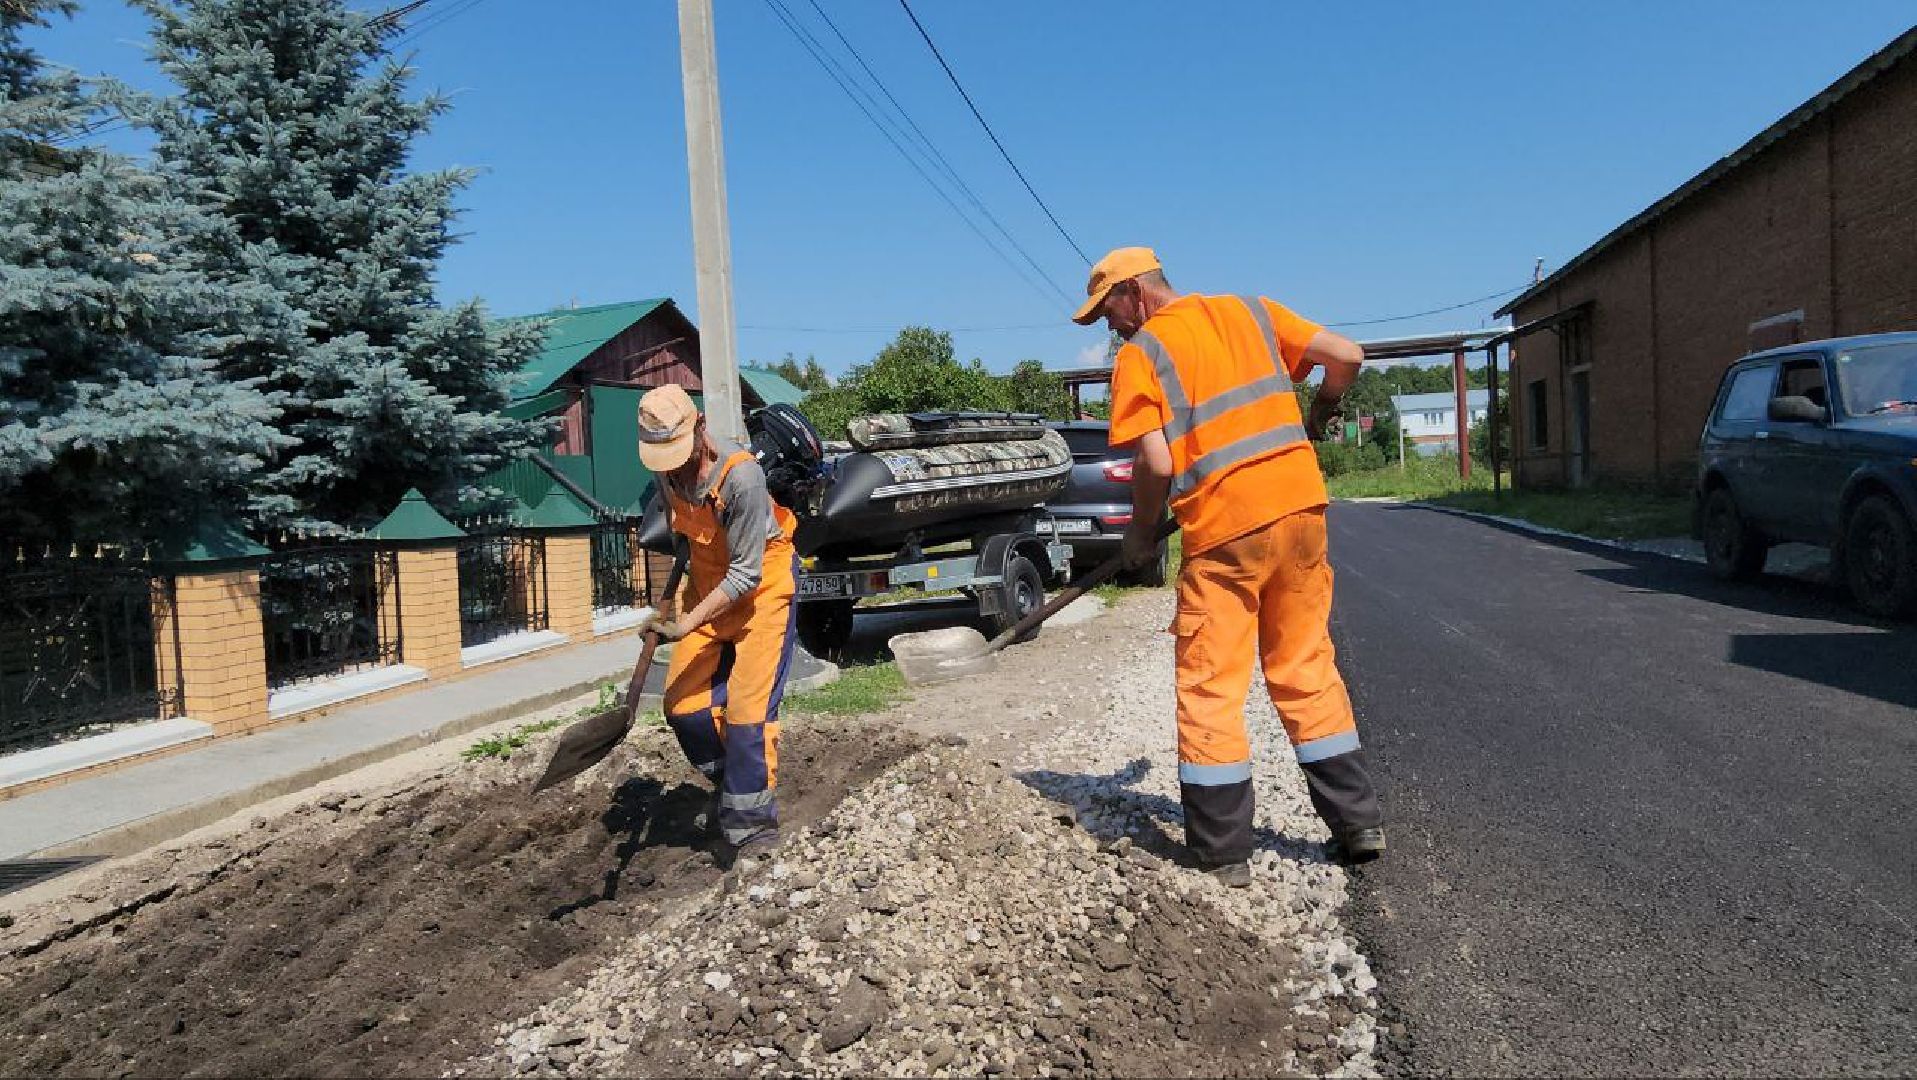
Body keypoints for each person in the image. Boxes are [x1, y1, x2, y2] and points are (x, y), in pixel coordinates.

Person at [1075, 246, 1386, 886]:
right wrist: (1322, 409)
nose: (1109, 326)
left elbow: (1157, 466)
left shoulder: (1143, 354)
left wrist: (1138, 539)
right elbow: (1348, 358)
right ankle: (1357, 824)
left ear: (1133, 292)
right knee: (1304, 665)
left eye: (1107, 309)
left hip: (1224, 529)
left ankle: (1222, 852)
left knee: (1212, 681)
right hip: (1301, 510)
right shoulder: (1251, 311)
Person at [636, 385, 799, 860]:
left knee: (748, 714)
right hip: (706, 592)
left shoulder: (741, 478)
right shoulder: (668, 477)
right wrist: (666, 606)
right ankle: (733, 782)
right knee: (683, 708)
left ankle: (752, 834)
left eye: (679, 452)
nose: (673, 465)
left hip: (761, 594)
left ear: (700, 427)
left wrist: (686, 624)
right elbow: (685, 542)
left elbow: (746, 574)